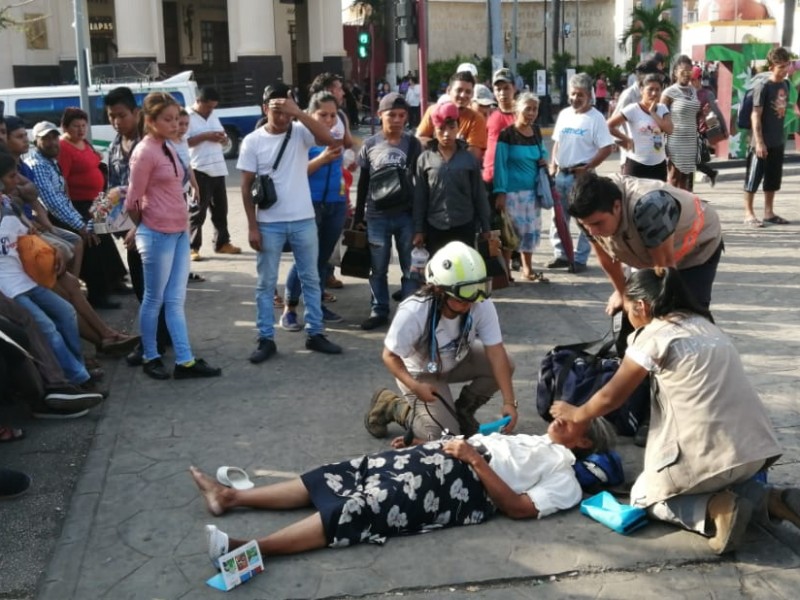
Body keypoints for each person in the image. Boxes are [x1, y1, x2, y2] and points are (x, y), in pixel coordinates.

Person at [550, 267, 797, 555]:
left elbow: (611, 396)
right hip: (756, 452)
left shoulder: (654, 336)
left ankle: (716, 509)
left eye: (628, 310)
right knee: (712, 477)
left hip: (713, 457)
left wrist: (576, 413)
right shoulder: (707, 326)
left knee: (644, 496)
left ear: (641, 306)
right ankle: (773, 500)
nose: (629, 318)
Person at [191, 416, 615, 561]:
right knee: (339, 473)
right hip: (443, 460)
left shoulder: (565, 477)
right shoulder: (535, 440)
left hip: (460, 487)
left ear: (585, 442)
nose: (562, 416)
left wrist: (474, 461)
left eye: (574, 419)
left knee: (365, 507)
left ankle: (252, 548)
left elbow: (520, 508)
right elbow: (470, 445)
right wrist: (422, 446)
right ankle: (232, 496)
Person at [364, 241, 518, 444]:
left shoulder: (479, 303)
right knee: (444, 438)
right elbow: (389, 356)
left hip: (458, 357)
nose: (470, 302)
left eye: (477, 290)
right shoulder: (414, 311)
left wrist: (509, 402)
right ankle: (394, 406)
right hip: (421, 374)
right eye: (462, 297)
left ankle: (463, 411)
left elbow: (496, 352)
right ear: (439, 290)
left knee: (507, 362)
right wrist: (414, 386)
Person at [237, 83, 343, 363]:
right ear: (264, 109)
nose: (283, 115)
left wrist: (298, 112)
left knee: (311, 277)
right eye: (277, 108)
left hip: (303, 219)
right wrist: (252, 225)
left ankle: (316, 333)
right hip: (269, 223)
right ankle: (265, 338)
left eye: (287, 108)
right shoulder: (252, 141)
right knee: (265, 283)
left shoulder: (300, 132)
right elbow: (246, 187)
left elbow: (330, 140)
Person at [567, 171, 723, 357]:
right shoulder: (585, 212)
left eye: (598, 224)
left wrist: (657, 319)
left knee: (685, 315)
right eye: (587, 226)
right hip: (647, 250)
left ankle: (704, 360)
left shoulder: (649, 206)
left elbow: (664, 271)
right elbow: (606, 258)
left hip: (696, 248)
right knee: (633, 311)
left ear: (617, 206)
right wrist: (622, 293)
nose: (593, 231)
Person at [124, 92, 222, 380]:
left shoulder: (168, 146)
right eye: (167, 119)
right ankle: (151, 355)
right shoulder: (145, 152)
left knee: (175, 300)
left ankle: (185, 361)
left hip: (179, 232)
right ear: (151, 121)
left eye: (176, 119)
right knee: (154, 299)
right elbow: (132, 200)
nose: (174, 124)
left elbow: (179, 181)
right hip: (156, 235)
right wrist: (143, 226)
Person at [354, 93, 423, 331]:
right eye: (391, 114)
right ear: (379, 115)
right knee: (378, 267)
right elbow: (363, 183)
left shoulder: (413, 144)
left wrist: (419, 222)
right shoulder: (369, 145)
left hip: (406, 216)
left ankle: (409, 311)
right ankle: (379, 310)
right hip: (376, 217)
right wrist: (358, 218)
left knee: (410, 267)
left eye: (401, 115)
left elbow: (420, 184)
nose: (396, 119)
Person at [280, 91, 348, 330]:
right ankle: (289, 308)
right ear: (310, 114)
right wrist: (322, 159)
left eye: (333, 115)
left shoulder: (336, 133)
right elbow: (293, 173)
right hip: (308, 205)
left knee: (321, 260)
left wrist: (345, 199)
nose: (329, 120)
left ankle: (316, 306)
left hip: (335, 204)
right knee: (304, 260)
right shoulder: (298, 135)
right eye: (323, 115)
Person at [57, 107, 128, 309]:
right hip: (80, 205)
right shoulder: (64, 147)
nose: (80, 130)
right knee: (93, 248)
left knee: (105, 243)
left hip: (97, 201)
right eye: (75, 126)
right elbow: (64, 182)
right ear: (65, 127)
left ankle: (115, 282)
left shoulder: (83, 143)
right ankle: (98, 295)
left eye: (83, 126)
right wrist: (72, 212)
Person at [548, 73, 615, 273]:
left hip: (582, 177)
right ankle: (561, 255)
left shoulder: (596, 119)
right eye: (573, 94)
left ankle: (580, 258)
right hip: (561, 174)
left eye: (580, 95)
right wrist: (553, 164)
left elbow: (607, 148)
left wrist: (587, 168)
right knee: (558, 218)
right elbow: (557, 142)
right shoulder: (564, 114)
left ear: (589, 95)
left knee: (584, 219)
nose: (576, 98)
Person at [2, 116, 84, 278]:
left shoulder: (24, 166)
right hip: (21, 228)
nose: (25, 140)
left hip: (35, 221)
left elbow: (33, 198)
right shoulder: (12, 166)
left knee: (77, 240)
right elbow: (18, 202)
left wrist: (49, 227)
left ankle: (73, 283)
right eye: (19, 137)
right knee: (62, 248)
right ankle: (64, 288)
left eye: (25, 136)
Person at [412, 102, 491, 259]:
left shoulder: (469, 159)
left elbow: (479, 194)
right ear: (434, 130)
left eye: (451, 127)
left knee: (465, 272)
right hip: (435, 227)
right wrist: (419, 230)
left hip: (464, 225)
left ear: (458, 127)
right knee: (438, 275)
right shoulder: (424, 159)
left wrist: (485, 226)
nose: (447, 133)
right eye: (441, 128)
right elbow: (420, 198)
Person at [494, 93, 549, 281]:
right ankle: (507, 272)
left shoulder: (536, 131)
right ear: (517, 109)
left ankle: (528, 270)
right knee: (511, 234)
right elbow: (500, 164)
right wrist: (500, 191)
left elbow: (542, 151)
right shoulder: (506, 135)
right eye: (528, 109)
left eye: (535, 109)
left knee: (530, 232)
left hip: (532, 193)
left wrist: (544, 159)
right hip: (512, 193)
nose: (532, 113)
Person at [186, 86, 241, 261]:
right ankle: (192, 247)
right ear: (198, 101)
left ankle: (222, 243)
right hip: (199, 169)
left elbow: (220, 136)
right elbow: (183, 141)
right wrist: (205, 136)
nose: (211, 110)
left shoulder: (213, 116)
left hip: (218, 168)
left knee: (220, 211)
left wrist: (223, 138)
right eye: (208, 106)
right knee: (197, 212)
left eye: (213, 107)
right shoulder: (186, 117)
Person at [742, 46, 792, 227]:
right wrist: (760, 142)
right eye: (781, 66)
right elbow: (755, 114)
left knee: (773, 178)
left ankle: (769, 213)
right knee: (753, 178)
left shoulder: (785, 85)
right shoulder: (762, 87)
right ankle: (748, 213)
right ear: (771, 67)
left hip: (777, 140)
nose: (785, 70)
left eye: (787, 65)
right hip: (760, 142)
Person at [607, 72, 673, 181]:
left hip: (659, 165)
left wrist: (653, 112)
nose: (654, 93)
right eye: (650, 89)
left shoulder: (662, 109)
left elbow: (669, 129)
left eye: (657, 90)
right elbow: (609, 125)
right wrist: (626, 139)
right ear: (641, 90)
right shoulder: (633, 109)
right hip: (636, 164)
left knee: (658, 197)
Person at [417, 71, 488, 160]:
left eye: (468, 92)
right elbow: (419, 140)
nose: (463, 95)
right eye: (459, 90)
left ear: (472, 94)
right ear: (449, 91)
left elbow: (473, 155)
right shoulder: (433, 111)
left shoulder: (476, 119)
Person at [661, 56, 701, 191]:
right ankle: (671, 206)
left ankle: (685, 207)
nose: (686, 74)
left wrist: (703, 113)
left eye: (689, 71)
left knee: (686, 178)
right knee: (674, 177)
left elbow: (694, 114)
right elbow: (660, 117)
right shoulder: (669, 92)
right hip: (675, 140)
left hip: (690, 139)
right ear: (675, 72)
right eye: (683, 71)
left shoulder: (693, 91)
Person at [482, 68, 518, 191]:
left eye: (506, 88)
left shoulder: (522, 116)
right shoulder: (488, 113)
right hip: (490, 179)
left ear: (514, 88)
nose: (502, 93)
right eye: (498, 89)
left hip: (512, 181)